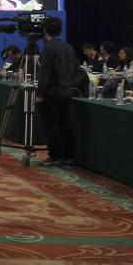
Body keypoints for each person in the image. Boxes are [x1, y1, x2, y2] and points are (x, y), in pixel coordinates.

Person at [36, 16, 77, 167]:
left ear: (45, 30)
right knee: (65, 125)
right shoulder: (68, 47)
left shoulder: (49, 48)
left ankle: (55, 156)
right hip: (66, 91)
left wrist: (39, 94)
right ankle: (68, 156)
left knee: (51, 126)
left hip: (51, 93)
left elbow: (44, 73)